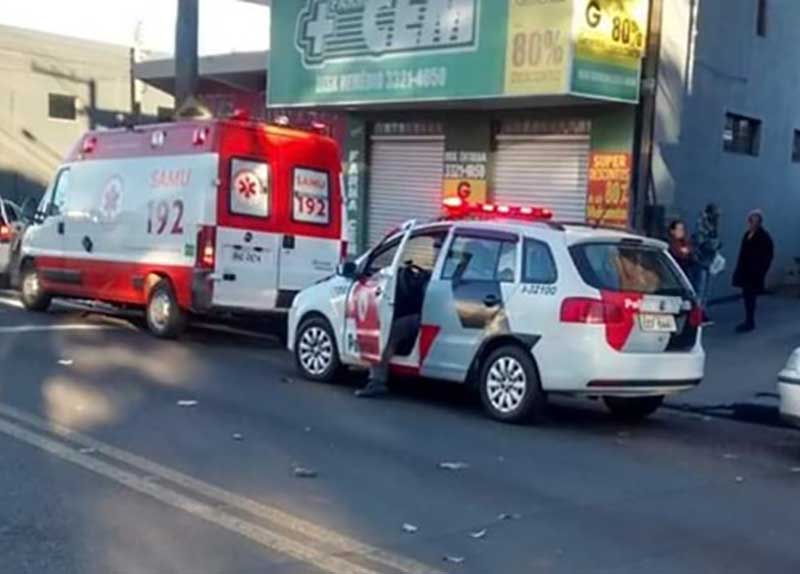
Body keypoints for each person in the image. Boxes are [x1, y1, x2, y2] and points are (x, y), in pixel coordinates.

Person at [732, 209, 774, 333]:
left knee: (750, 296)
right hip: (745, 270)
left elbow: (768, 254)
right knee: (747, 296)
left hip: (754, 272)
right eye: (751, 220)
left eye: (755, 220)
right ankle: (748, 320)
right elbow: (743, 253)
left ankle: (750, 321)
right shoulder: (747, 234)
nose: (753, 222)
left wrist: (761, 269)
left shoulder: (763, 236)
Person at [692, 203, 722, 311]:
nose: (717, 218)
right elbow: (700, 242)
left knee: (706, 291)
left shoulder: (713, 226)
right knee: (699, 289)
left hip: (709, 261)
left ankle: (702, 312)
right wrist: (713, 244)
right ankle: (697, 313)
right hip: (701, 261)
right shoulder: (702, 225)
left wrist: (717, 244)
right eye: (716, 215)